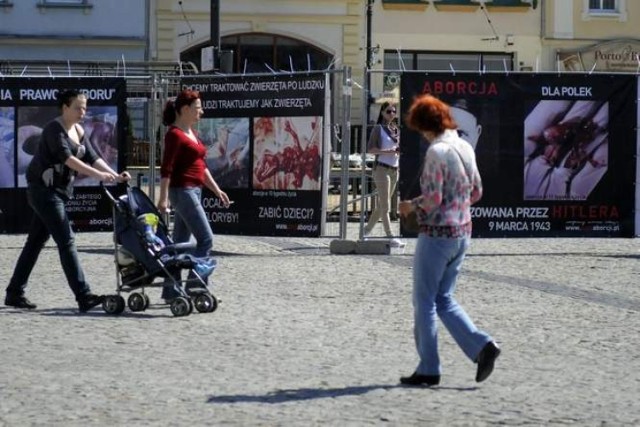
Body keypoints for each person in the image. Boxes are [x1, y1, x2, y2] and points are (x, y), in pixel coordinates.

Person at [398, 94, 500, 386]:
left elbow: (432, 200)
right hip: (463, 232)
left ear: (425, 125)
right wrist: (458, 204)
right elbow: (477, 191)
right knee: (444, 299)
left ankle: (429, 367)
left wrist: (409, 207)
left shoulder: (437, 152)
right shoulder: (466, 147)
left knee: (425, 302)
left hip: (437, 235)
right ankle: (483, 347)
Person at [5, 89, 131, 312]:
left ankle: (14, 293)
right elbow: (69, 160)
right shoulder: (55, 129)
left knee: (34, 243)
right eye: (78, 107)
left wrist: (114, 173)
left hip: (59, 192)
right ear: (65, 107)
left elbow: (93, 157)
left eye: (84, 107)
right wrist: (99, 176)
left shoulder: (79, 130)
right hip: (44, 192)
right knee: (67, 241)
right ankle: (84, 296)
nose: (83, 111)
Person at [157, 89, 231, 301]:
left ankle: (171, 291)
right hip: (182, 191)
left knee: (178, 243)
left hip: (194, 190)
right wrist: (163, 198)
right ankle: (195, 285)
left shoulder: (191, 133)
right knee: (206, 239)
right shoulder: (174, 135)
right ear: (185, 109)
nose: (202, 112)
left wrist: (216, 190)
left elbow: (201, 166)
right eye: (198, 108)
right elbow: (166, 169)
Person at [363, 102, 404, 248]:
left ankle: (365, 232)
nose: (391, 114)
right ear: (382, 112)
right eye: (388, 111)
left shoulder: (396, 129)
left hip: (394, 170)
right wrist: (390, 152)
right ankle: (390, 236)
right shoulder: (378, 128)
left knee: (381, 205)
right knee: (386, 206)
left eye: (394, 111)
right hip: (381, 169)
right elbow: (371, 150)